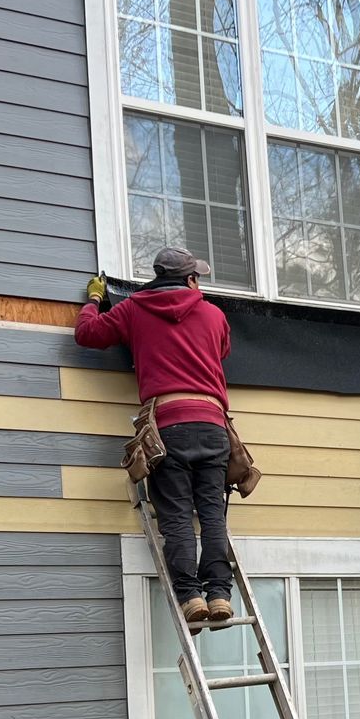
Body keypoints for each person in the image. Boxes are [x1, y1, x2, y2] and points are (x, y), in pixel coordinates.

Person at [75, 246, 235, 626]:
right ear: (191, 279)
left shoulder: (134, 309)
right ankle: (219, 594)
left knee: (177, 515)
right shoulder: (213, 315)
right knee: (212, 514)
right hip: (213, 424)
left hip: (168, 426)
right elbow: (223, 350)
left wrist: (95, 299)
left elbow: (87, 334)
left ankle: (191, 597)